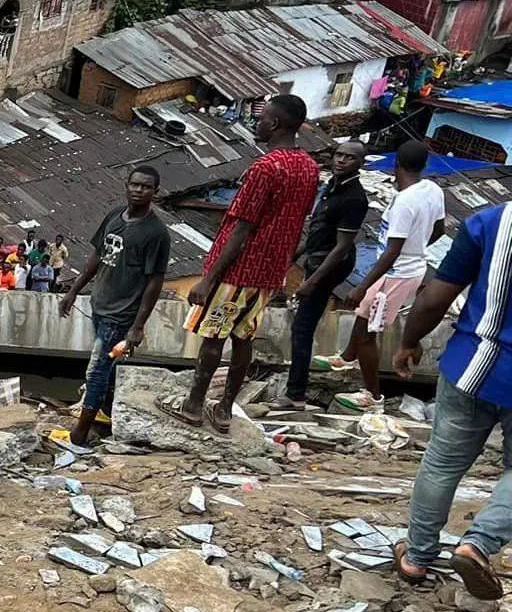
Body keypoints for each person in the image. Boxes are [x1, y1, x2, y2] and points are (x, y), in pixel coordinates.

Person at [172, 93, 320, 432]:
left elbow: (241, 228)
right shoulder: (309, 168)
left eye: (263, 118)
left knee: (213, 336)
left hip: (237, 270)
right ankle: (224, 409)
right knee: (244, 338)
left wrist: (209, 278)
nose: (258, 122)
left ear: (276, 124)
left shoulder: (264, 168)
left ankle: (194, 404)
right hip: (268, 274)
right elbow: (300, 223)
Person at [391, 196, 512, 596]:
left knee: (442, 463)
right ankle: (477, 545)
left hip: (470, 367)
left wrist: (409, 341)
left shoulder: (489, 223)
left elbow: (436, 297)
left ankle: (417, 557)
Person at [59, 166, 172, 447]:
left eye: (146, 187)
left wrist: (138, 326)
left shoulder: (156, 233)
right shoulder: (114, 216)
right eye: (135, 185)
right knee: (106, 368)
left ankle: (80, 434)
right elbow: (97, 256)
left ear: (155, 192)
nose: (139, 190)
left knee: (96, 371)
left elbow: (154, 281)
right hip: (100, 305)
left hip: (121, 315)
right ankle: (107, 419)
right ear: (126, 185)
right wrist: (74, 290)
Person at [332, 140, 445, 413]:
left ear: (396, 164)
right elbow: (439, 230)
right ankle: (348, 357)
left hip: (396, 273)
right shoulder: (432, 189)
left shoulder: (405, 202)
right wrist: (417, 248)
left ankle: (373, 397)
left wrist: (363, 285)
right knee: (363, 315)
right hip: (405, 267)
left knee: (370, 331)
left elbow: (391, 253)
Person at [285, 139, 370, 407]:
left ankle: (295, 395)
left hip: (330, 264)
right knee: (301, 325)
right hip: (318, 256)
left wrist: (312, 281)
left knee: (303, 327)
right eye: (339, 155)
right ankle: (294, 390)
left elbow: (342, 247)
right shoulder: (332, 186)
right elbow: (319, 227)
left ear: (360, 164)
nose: (341, 160)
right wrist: (297, 253)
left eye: (350, 158)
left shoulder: (354, 198)